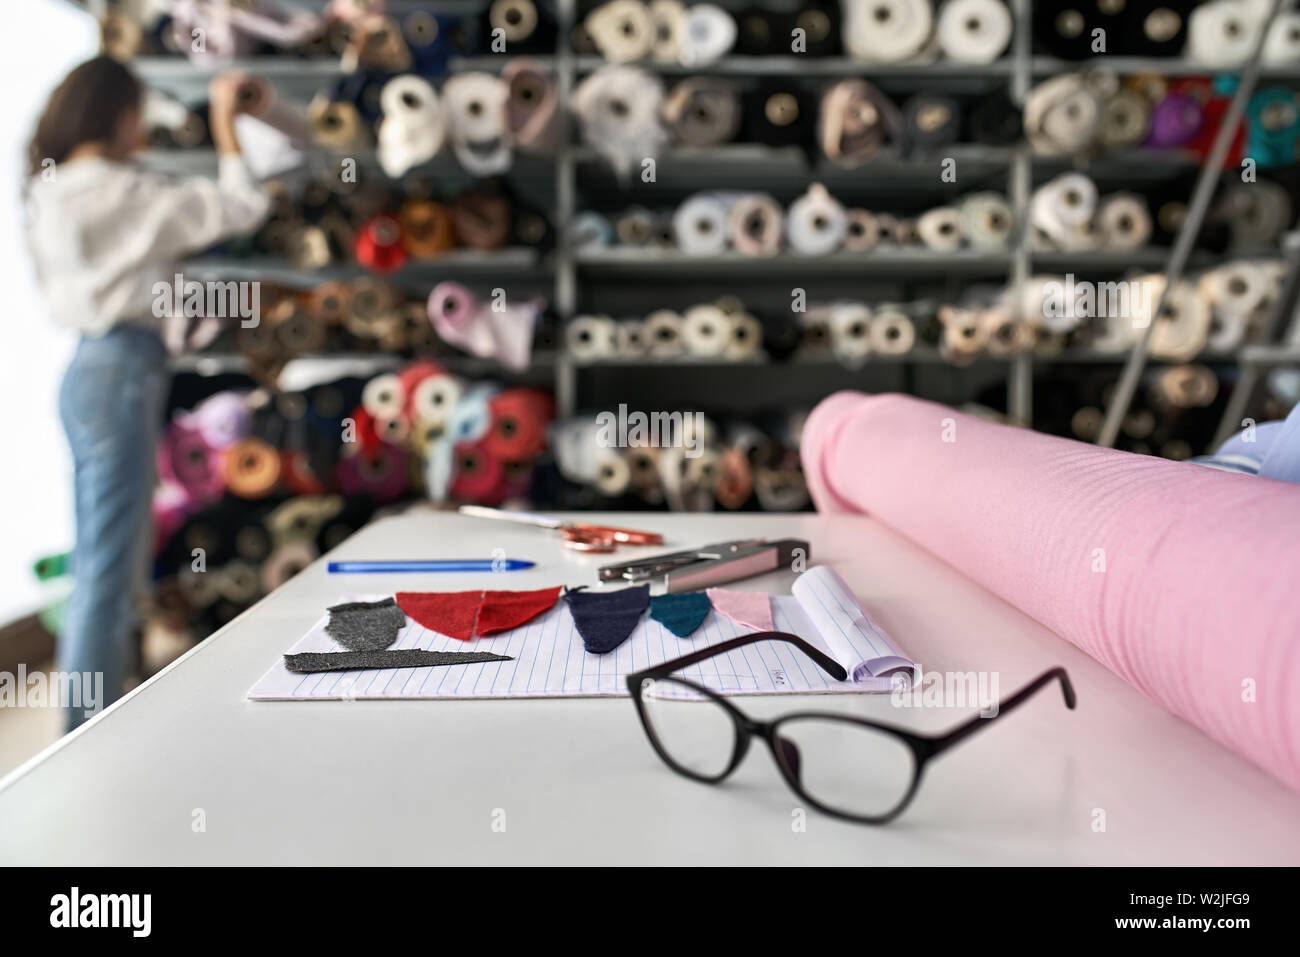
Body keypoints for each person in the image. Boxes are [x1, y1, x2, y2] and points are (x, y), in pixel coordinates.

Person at [25, 56, 271, 730]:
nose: (143, 126)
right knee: (111, 572)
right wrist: (225, 120)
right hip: (124, 371)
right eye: (137, 111)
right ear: (116, 113)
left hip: (85, 373)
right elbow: (240, 206)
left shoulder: (48, 191)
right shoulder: (120, 191)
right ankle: (82, 737)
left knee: (98, 564)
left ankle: (84, 727)